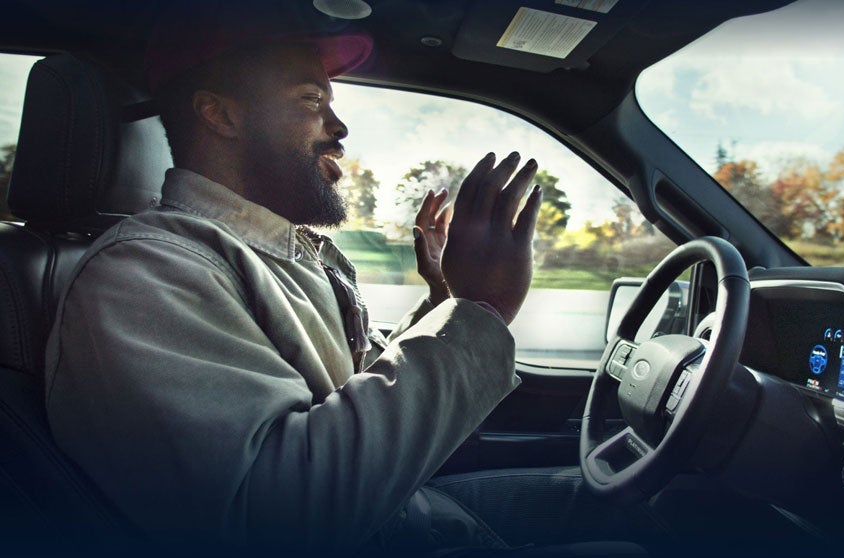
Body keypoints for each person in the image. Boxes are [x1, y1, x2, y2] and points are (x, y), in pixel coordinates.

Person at [43, 3, 548, 553]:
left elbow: (356, 392)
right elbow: (271, 518)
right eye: (312, 100)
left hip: (407, 516)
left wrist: (445, 296)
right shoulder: (145, 274)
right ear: (221, 115)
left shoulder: (266, 254)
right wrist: (481, 310)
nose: (339, 127)